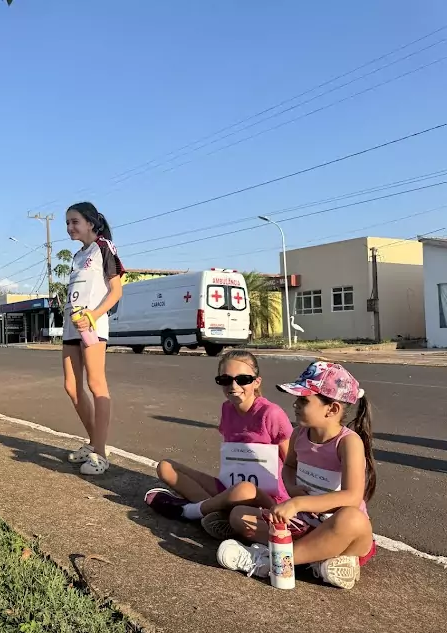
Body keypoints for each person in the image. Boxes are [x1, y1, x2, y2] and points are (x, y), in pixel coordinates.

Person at [217, 361, 377, 589]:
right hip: (304, 523)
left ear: (332, 409)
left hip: (340, 530)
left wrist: (298, 502)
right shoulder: (300, 434)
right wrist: (292, 489)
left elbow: (352, 497)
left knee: (352, 519)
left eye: (303, 400)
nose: (295, 405)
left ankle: (269, 561)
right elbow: (289, 467)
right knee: (239, 516)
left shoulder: (348, 442)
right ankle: (318, 562)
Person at [145, 350, 293, 541]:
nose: (233, 385)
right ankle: (214, 513)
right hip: (229, 488)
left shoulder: (271, 413)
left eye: (243, 379)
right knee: (165, 467)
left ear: (256, 382)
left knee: (245, 488)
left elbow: (291, 465)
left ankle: (188, 511)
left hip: (267, 497)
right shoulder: (227, 408)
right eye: (226, 379)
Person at [62, 202, 124, 476]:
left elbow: (115, 291)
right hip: (71, 325)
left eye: (74, 221)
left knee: (96, 383)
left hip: (92, 325)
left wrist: (95, 315)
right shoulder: (77, 256)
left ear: (90, 222)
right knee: (71, 387)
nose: (69, 227)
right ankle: (94, 442)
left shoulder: (104, 247)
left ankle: (100, 453)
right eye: (67, 223)